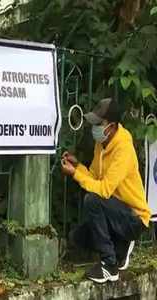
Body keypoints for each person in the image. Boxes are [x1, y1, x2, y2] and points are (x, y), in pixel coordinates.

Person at [61, 97, 151, 284]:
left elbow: (103, 190)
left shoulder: (123, 148)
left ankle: (110, 266)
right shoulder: (102, 144)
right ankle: (121, 246)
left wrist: (76, 175)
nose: (95, 128)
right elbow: (94, 177)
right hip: (114, 212)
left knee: (92, 200)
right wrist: (77, 167)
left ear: (111, 126)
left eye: (99, 123)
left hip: (133, 218)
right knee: (78, 238)